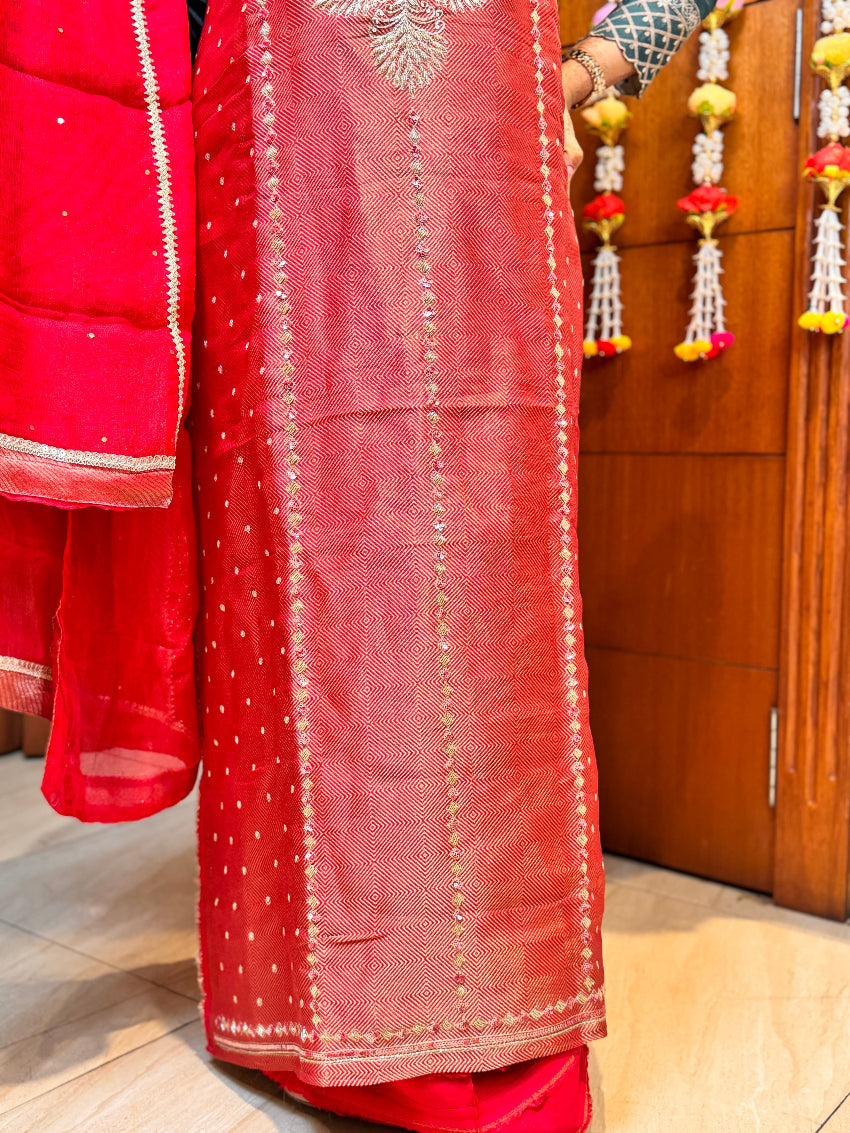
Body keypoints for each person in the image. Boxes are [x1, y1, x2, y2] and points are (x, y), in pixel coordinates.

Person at [0, 0, 713, 1129]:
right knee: (288, 570)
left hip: (483, 145)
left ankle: (497, 1031)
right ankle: (315, 1019)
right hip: (264, 149)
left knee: (489, 575)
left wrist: (584, 72)